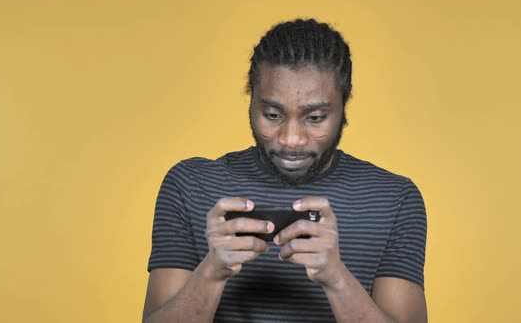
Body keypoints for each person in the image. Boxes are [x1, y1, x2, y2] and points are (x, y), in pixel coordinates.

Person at [142, 18, 428, 323]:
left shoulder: (395, 199)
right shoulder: (190, 185)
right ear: (250, 98)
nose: (291, 139)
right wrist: (211, 273)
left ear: (344, 104)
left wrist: (337, 278)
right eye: (272, 115)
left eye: (315, 117)